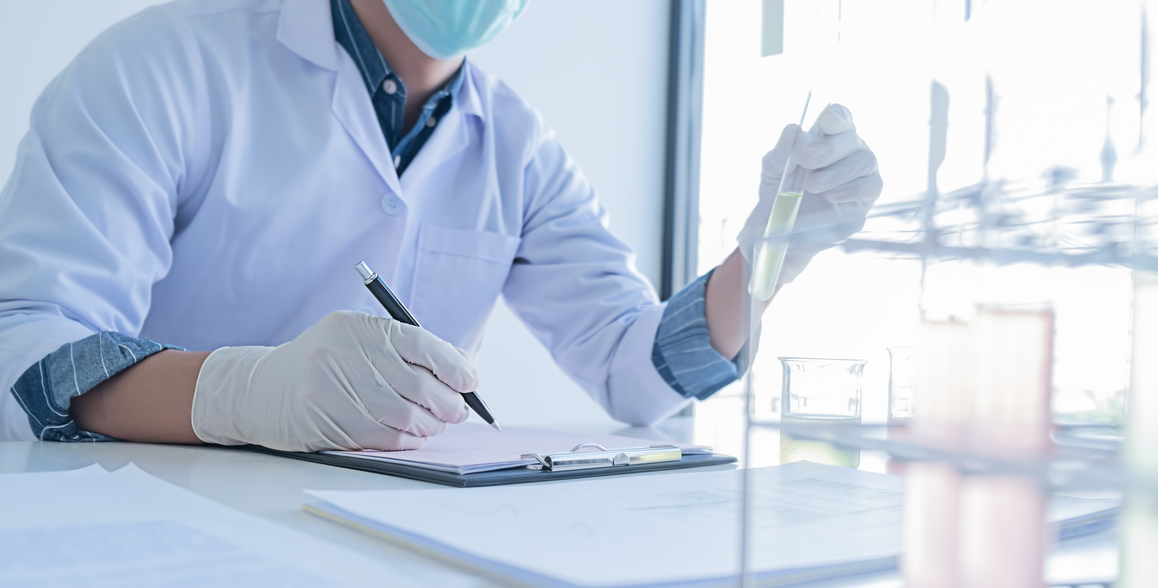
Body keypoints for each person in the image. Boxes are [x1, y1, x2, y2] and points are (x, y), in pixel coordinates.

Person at [0, 0, 882, 452]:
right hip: (151, 521)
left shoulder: (519, 148)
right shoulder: (166, 64)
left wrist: (767, 256)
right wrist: (243, 393)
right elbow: (27, 343)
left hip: (393, 548)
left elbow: (637, 374)